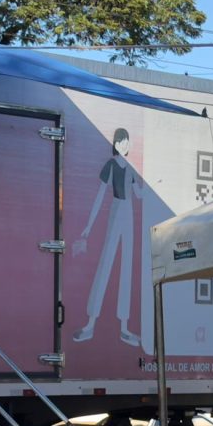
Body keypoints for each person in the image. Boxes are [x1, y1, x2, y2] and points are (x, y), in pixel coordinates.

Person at [71, 128, 144, 347]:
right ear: (115, 144)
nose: (124, 144)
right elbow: (100, 195)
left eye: (126, 141)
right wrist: (88, 227)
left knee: (126, 267)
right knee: (106, 263)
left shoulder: (130, 168)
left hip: (129, 213)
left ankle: (124, 328)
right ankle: (90, 323)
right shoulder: (111, 165)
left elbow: (139, 194)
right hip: (116, 210)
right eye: (120, 141)